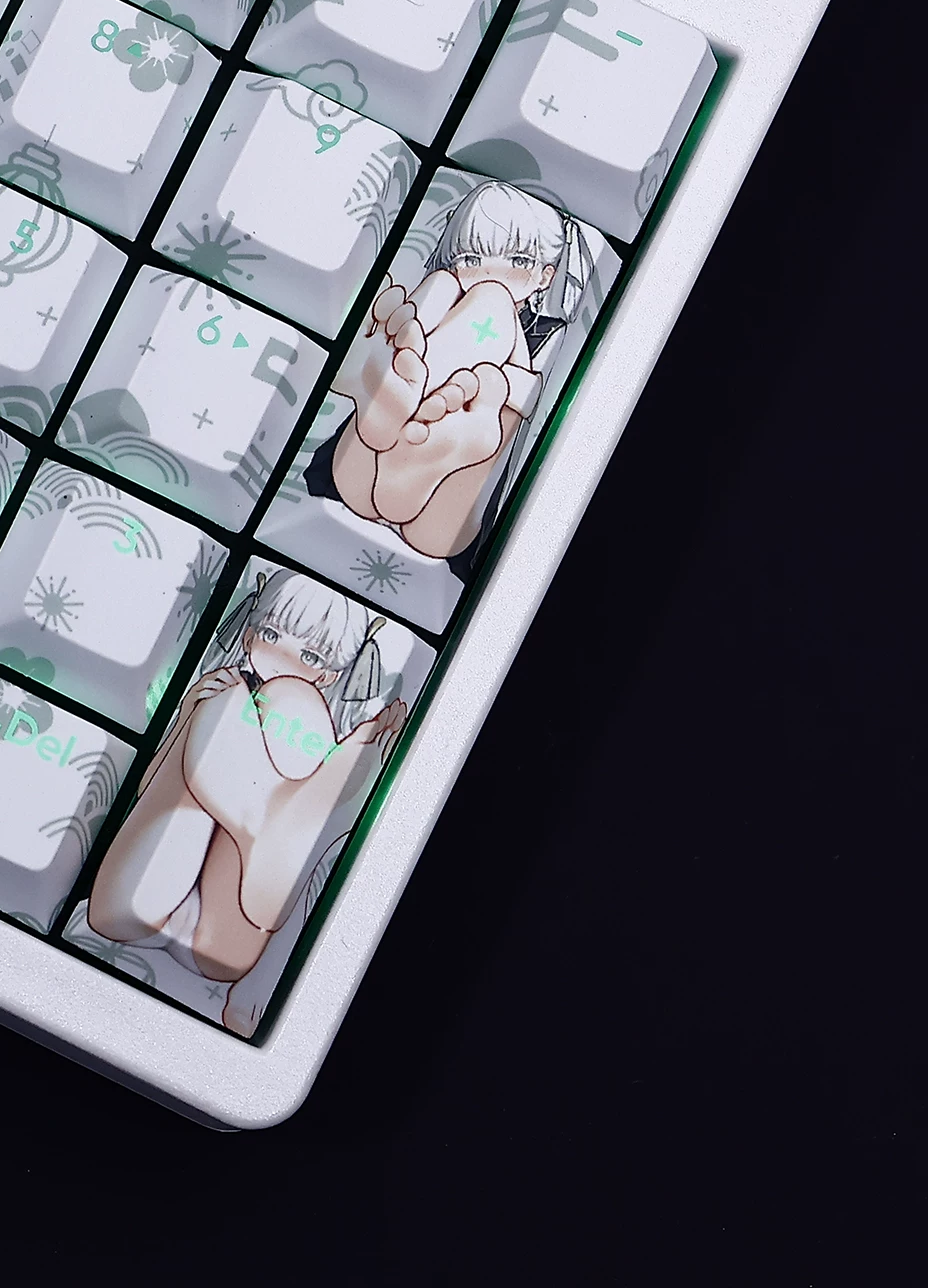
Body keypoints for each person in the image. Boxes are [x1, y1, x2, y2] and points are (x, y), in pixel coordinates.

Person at [85, 567, 406, 1010]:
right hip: (161, 909)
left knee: (285, 704)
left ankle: (272, 819)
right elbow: (149, 786)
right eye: (272, 634)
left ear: (330, 676)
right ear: (251, 633)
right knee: (232, 701)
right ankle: (275, 822)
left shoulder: (299, 709)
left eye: (311, 656)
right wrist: (188, 714)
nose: (284, 657)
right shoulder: (226, 689)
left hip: (203, 926)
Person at [314, 177, 594, 566]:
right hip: (386, 475)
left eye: (518, 261)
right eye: (471, 259)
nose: (490, 272)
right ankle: (398, 401)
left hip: (399, 490)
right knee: (448, 297)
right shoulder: (445, 286)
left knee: (492, 343)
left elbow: (527, 396)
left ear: (546, 275)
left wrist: (498, 387)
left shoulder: (529, 325)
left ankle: (435, 418)